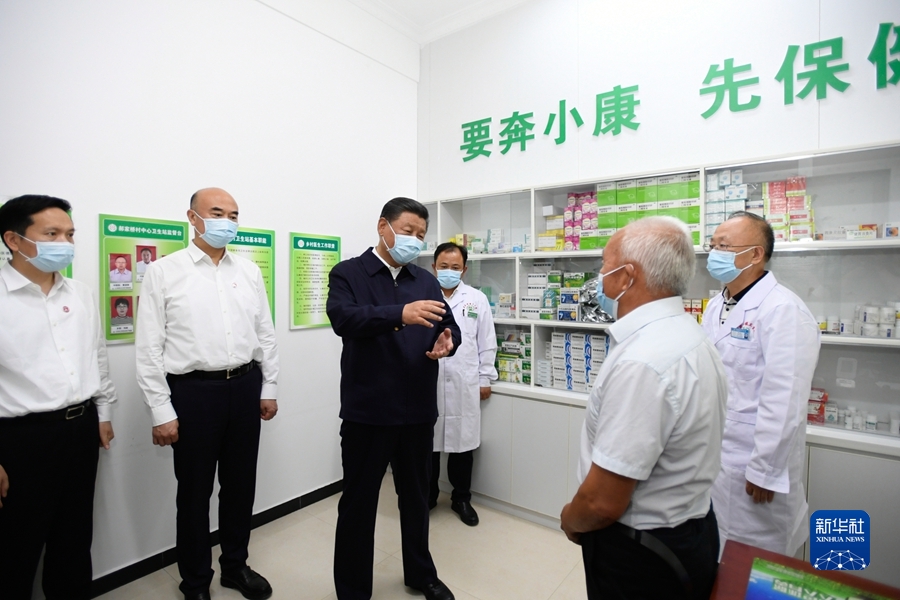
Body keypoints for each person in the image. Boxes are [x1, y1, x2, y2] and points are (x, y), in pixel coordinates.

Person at [560, 216, 727, 600]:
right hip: (691, 532)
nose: (599, 278)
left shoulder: (643, 361)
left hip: (642, 553)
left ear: (626, 276)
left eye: (604, 265)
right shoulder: (689, 333)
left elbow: (602, 502)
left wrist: (571, 519)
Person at [136, 188, 279, 600]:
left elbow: (265, 333)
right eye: (217, 213)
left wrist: (269, 386)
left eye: (234, 215)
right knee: (194, 493)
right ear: (192, 217)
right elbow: (148, 347)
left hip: (246, 385)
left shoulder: (248, 271)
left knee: (240, 486)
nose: (227, 222)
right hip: (193, 392)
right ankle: (196, 580)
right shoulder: (163, 272)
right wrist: (161, 410)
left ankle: (235, 566)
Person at [326, 197, 462, 600]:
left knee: (417, 500)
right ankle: (353, 590)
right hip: (368, 412)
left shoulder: (424, 280)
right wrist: (399, 314)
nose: (414, 240)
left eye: (421, 234)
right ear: (383, 227)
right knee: (359, 505)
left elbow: (448, 324)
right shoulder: (349, 272)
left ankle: (421, 574)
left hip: (418, 411)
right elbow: (344, 319)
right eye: (407, 231)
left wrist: (448, 341)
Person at [0, 195, 117, 600]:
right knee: (15, 547)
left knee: (74, 539)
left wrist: (103, 413)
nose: (64, 243)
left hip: (80, 429)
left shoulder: (80, 293)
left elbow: (96, 355)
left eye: (69, 234)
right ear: (14, 240)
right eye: (51, 234)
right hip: (20, 439)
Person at [701, 211, 820, 557]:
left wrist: (765, 470)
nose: (714, 254)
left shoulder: (783, 310)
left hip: (755, 465)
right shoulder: (716, 305)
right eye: (712, 245)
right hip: (717, 456)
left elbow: (785, 398)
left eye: (724, 246)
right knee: (717, 552)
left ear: (756, 254)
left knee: (754, 562)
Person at [429, 242, 497, 526]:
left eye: (455, 267)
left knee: (463, 445)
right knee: (428, 446)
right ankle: (428, 496)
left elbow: (486, 341)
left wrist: (485, 377)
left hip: (464, 382)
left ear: (464, 269)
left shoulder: (476, 299)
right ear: (433, 267)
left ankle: (461, 498)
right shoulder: (423, 295)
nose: (449, 271)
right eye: (443, 266)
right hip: (429, 381)